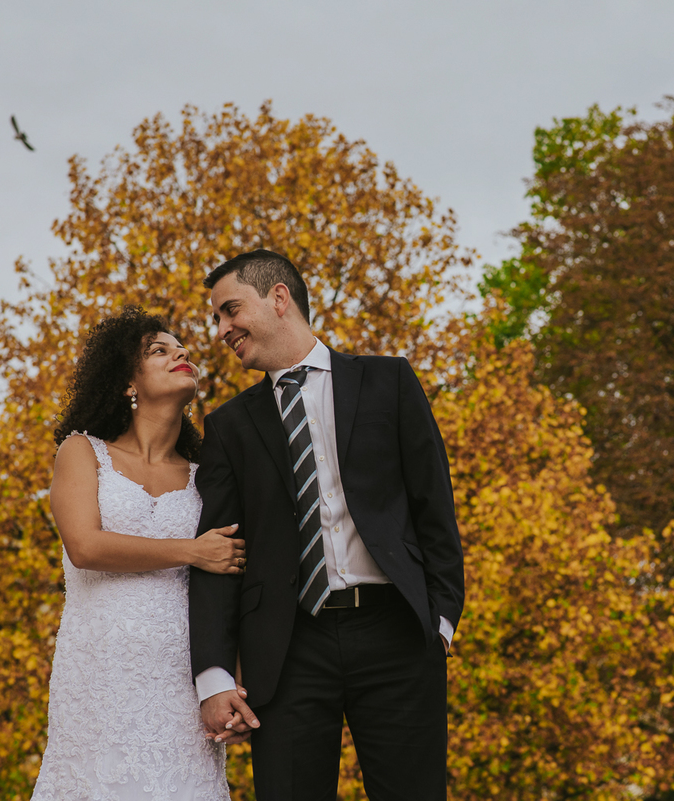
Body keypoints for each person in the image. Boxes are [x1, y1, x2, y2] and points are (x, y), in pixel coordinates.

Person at [189, 249, 465, 800]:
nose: (221, 329)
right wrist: (214, 676)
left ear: (279, 297)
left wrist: (440, 620)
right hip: (286, 651)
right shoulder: (227, 427)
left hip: (398, 634)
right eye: (217, 318)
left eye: (229, 310)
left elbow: (434, 503)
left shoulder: (389, 380)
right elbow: (219, 554)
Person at [32, 307, 244, 800]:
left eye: (182, 348)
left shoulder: (205, 475)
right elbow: (85, 546)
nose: (181, 354)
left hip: (181, 679)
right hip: (100, 670)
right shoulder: (83, 451)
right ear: (127, 380)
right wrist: (193, 551)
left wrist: (230, 678)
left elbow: (232, 575)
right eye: (159, 350)